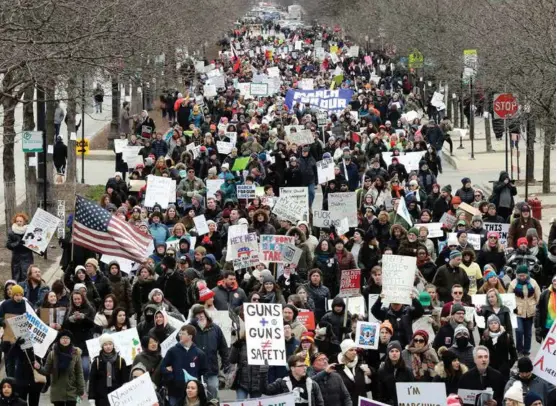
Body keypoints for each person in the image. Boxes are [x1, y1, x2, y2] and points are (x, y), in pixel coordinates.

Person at [34, 330, 86, 405]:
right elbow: (46, 371)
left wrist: (81, 389)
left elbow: (79, 373)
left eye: (67, 338)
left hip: (71, 390)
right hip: (57, 391)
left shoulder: (75, 354)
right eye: (63, 338)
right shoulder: (52, 354)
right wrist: (39, 367)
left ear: (70, 340)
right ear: (59, 340)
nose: (65, 340)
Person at [161, 324, 208, 406]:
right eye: (180, 333)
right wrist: (171, 378)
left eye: (183, 334)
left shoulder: (199, 353)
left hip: (191, 394)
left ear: (190, 337)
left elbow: (204, 370)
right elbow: (163, 367)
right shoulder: (172, 351)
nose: (180, 335)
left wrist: (195, 379)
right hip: (175, 391)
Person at [189, 305, 230, 399]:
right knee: (197, 395)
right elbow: (180, 338)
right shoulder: (191, 329)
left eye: (201, 314)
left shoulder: (216, 329)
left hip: (211, 368)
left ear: (205, 314)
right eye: (197, 315)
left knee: (213, 391)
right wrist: (190, 324)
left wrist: (225, 362)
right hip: (195, 369)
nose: (200, 316)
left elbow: (223, 347)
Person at [259, 353, 324, 406]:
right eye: (301, 366)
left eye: (305, 365)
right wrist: (263, 371)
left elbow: (320, 403)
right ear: (292, 368)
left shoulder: (312, 384)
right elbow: (265, 390)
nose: (304, 368)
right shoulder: (282, 383)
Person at [508, 265, 541, 356]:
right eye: (520, 275)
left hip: (530, 310)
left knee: (528, 333)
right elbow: (509, 298)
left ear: (527, 274)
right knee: (519, 331)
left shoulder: (533, 282)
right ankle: (519, 350)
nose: (522, 277)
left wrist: (537, 308)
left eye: (524, 275)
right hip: (517, 311)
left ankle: (526, 350)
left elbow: (538, 296)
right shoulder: (513, 283)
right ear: (517, 275)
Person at [88, 334, 128, 406]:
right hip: (101, 396)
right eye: (105, 344)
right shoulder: (96, 361)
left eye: (110, 344)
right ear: (102, 346)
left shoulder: (120, 361)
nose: (108, 346)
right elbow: (92, 381)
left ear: (113, 345)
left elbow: (125, 380)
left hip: (117, 396)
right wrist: (91, 398)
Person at [336, 339, 373, 405]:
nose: (354, 352)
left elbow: (371, 384)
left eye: (355, 350)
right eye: (351, 350)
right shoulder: (337, 368)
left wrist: (371, 372)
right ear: (344, 352)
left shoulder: (360, 365)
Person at [479, 314, 517, 380]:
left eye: (495, 323)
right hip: (489, 369)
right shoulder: (485, 337)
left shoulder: (507, 336)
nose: (493, 325)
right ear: (488, 325)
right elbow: (480, 352)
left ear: (499, 324)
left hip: (503, 370)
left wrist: (508, 365)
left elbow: (514, 354)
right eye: (491, 323)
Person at [7, 213, 34, 282]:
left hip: (27, 257)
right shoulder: (11, 231)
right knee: (16, 277)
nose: (18, 223)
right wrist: (17, 243)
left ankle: (26, 292)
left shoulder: (29, 230)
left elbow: (34, 244)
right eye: (17, 221)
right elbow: (8, 245)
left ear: (24, 222)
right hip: (16, 258)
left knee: (27, 277)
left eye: (20, 221)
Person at [535, 275, 556, 342]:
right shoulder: (545, 294)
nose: (555, 283)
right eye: (554, 280)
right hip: (548, 328)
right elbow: (538, 311)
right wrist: (538, 329)